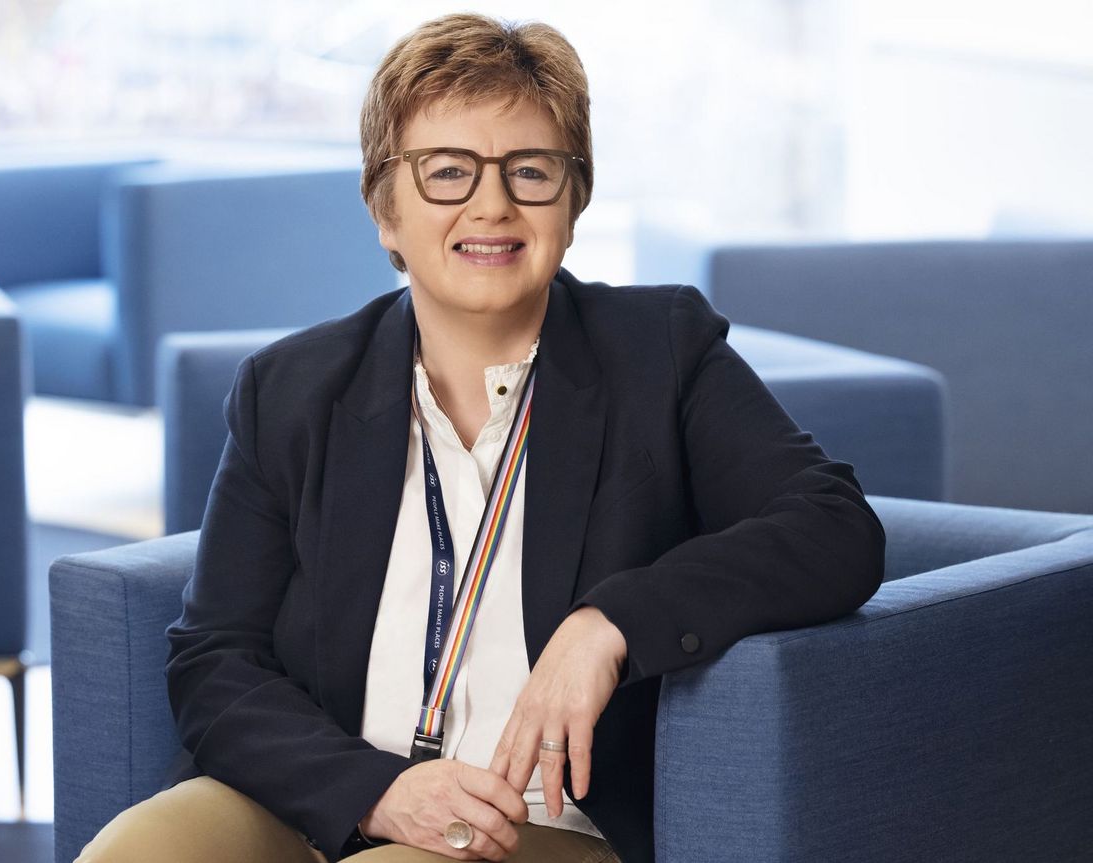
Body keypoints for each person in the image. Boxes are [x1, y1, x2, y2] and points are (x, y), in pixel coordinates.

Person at [78, 13, 883, 863]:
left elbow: (833, 525)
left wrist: (610, 621)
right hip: (319, 797)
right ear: (385, 208)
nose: (491, 204)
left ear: (573, 201)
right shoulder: (289, 389)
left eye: (530, 170)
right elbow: (214, 657)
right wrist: (375, 790)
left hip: (538, 825)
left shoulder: (662, 354)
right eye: (447, 172)